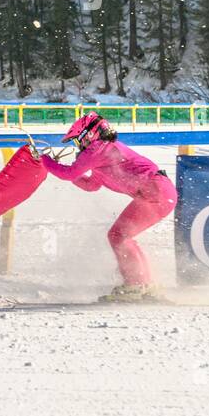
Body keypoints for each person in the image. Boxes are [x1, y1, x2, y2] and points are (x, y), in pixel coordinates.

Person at [41, 112, 177, 302]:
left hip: (155, 192)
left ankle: (135, 285)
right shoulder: (103, 153)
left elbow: (69, 173)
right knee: (121, 236)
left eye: (76, 142)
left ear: (87, 135)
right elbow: (91, 185)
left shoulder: (98, 148)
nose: (77, 147)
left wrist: (45, 161)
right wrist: (59, 168)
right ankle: (144, 284)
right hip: (159, 192)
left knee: (119, 235)